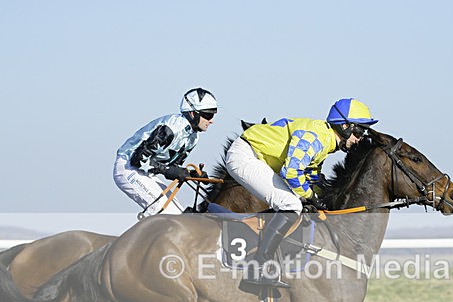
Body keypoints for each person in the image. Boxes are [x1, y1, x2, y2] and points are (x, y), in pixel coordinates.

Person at [225, 98, 378, 289]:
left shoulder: (326, 142)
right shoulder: (316, 137)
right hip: (245, 156)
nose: (360, 138)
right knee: (291, 205)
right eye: (359, 131)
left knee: (297, 202)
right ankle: (258, 266)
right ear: (345, 126)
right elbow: (291, 172)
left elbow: (310, 178)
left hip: (258, 157)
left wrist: (321, 198)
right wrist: (311, 197)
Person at [114, 88, 217, 216]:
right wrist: (168, 171)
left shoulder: (193, 137)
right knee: (167, 212)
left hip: (147, 172)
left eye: (213, 114)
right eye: (208, 115)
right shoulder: (171, 128)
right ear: (192, 113)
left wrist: (191, 174)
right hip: (128, 167)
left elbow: (172, 166)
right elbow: (138, 160)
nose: (211, 120)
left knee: (180, 214)